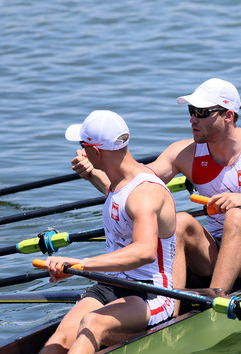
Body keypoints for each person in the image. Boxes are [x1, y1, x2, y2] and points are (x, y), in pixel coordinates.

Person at [71, 79, 241, 302]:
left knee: (238, 216)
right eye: (191, 111)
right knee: (182, 221)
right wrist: (94, 171)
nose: (192, 119)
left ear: (228, 115)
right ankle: (170, 305)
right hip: (216, 251)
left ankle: (216, 297)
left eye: (201, 113)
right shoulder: (184, 153)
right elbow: (134, 191)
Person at [41, 110, 177, 353]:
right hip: (111, 283)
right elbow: (118, 201)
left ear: (97, 151)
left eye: (83, 146)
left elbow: (144, 251)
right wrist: (92, 173)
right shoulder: (118, 184)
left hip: (151, 292)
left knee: (92, 323)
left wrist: (82, 265)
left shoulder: (145, 193)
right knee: (59, 340)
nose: (80, 152)